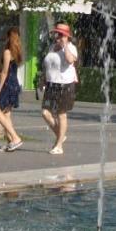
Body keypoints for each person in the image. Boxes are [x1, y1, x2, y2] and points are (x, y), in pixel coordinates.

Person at [41, 22, 78, 155]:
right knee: (45, 112)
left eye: (61, 34)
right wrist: (42, 79)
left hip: (65, 84)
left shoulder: (71, 47)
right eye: (57, 34)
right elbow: (47, 64)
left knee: (61, 114)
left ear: (66, 36)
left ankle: (59, 145)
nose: (58, 36)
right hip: (51, 83)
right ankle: (60, 136)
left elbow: (70, 60)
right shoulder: (52, 47)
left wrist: (65, 46)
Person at [0, 27, 24, 152]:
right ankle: (11, 141)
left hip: (7, 85)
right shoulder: (17, 52)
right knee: (6, 114)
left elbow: (5, 72)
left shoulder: (7, 52)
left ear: (8, 37)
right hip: (14, 84)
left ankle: (16, 138)